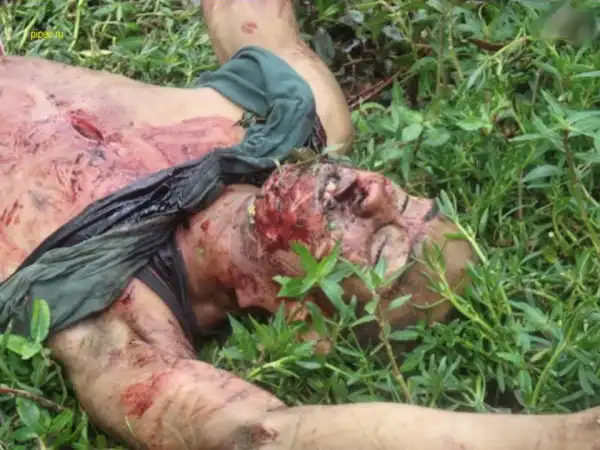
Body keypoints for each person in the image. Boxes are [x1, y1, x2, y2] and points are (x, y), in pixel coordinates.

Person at [0, 1, 598, 449]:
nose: (375, 193)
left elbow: (263, 434)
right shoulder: (293, 116)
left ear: (307, 324)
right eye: (405, 199)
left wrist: (571, 437)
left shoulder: (122, 325)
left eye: (384, 245)